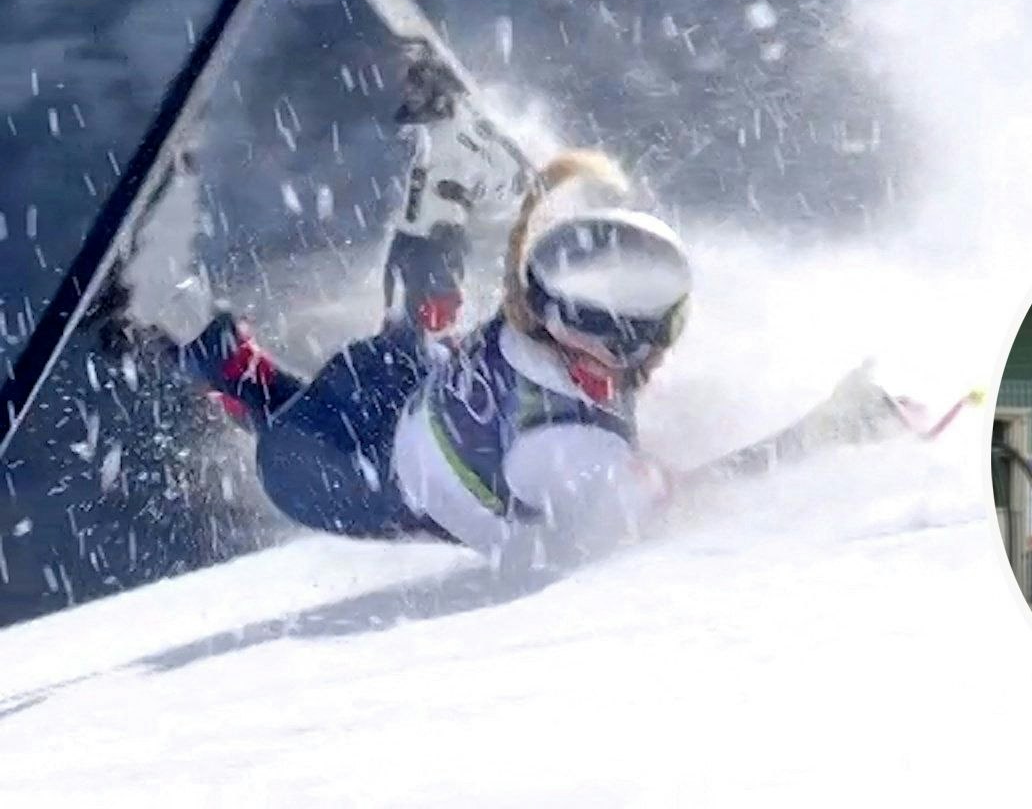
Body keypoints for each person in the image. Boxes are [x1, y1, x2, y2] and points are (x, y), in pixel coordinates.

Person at [108, 152, 725, 566]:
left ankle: (443, 182)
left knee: (419, 326)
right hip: (343, 477)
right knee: (266, 398)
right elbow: (650, 514)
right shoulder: (571, 443)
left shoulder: (528, 320)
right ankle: (168, 317)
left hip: (393, 386)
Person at [384, 44, 529, 333]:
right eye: (409, 87)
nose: (410, 95)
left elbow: (516, 175)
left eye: (418, 87)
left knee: (435, 320)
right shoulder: (416, 129)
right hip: (407, 236)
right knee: (396, 313)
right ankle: (402, 351)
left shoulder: (467, 127)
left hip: (439, 239)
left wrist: (470, 195)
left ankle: (432, 356)